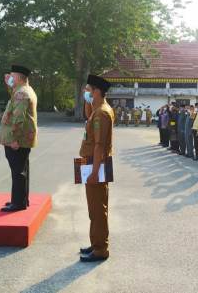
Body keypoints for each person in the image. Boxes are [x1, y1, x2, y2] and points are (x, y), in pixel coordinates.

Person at [79, 74, 114, 262]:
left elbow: (99, 145)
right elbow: (87, 115)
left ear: (97, 91)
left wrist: (94, 172)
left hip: (95, 162)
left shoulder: (101, 113)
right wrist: (87, 101)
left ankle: (100, 249)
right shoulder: (97, 110)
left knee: (97, 209)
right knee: (94, 208)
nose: (87, 93)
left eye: (89, 90)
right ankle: (96, 243)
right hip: (92, 161)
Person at [0, 64, 38, 212]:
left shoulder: (21, 93)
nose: (10, 78)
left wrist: (14, 138)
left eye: (12, 76)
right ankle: (20, 200)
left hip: (17, 140)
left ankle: (18, 203)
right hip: (22, 139)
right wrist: (10, 85)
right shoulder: (24, 90)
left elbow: (18, 118)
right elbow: (16, 103)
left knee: (18, 172)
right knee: (21, 170)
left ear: (19, 77)